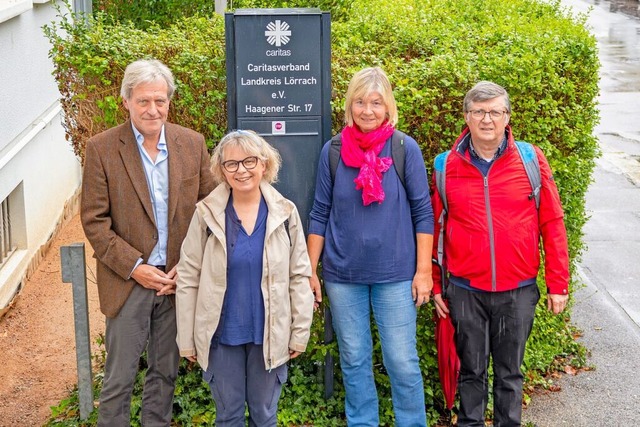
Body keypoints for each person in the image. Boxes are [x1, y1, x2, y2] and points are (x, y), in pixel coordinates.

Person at [81, 58, 215, 426]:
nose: (152, 109)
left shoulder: (191, 143)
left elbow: (210, 210)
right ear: (126, 100)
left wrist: (187, 265)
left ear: (169, 101)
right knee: (118, 380)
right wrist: (135, 267)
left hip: (176, 281)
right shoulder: (102, 148)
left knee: (164, 375)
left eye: (160, 100)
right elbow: (94, 221)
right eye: (143, 101)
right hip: (128, 282)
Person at [431, 81, 570, 427]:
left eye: (495, 111)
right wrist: (436, 286)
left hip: (518, 290)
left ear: (507, 117)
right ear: (467, 116)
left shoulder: (530, 160)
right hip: (465, 290)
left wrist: (558, 283)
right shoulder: (446, 166)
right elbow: (435, 231)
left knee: (510, 375)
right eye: (479, 112)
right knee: (472, 372)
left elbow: (551, 222)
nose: (487, 119)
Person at [307, 67, 434, 426]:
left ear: (388, 106)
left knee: (401, 359)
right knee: (354, 357)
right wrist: (309, 269)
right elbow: (319, 211)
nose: (367, 110)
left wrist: (424, 271)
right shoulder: (332, 151)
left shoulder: (403, 148)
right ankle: (362, 422)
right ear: (349, 105)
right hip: (343, 274)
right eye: (360, 101)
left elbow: (423, 211)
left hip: (395, 274)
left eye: (376, 102)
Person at [175, 130, 314, 426]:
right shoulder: (207, 215)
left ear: (264, 164)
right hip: (221, 335)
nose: (242, 170)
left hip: (270, 334)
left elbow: (299, 274)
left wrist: (299, 331)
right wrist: (187, 338)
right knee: (228, 416)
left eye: (250, 161)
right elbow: (188, 277)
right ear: (222, 171)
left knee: (265, 416)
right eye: (232, 164)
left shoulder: (285, 213)